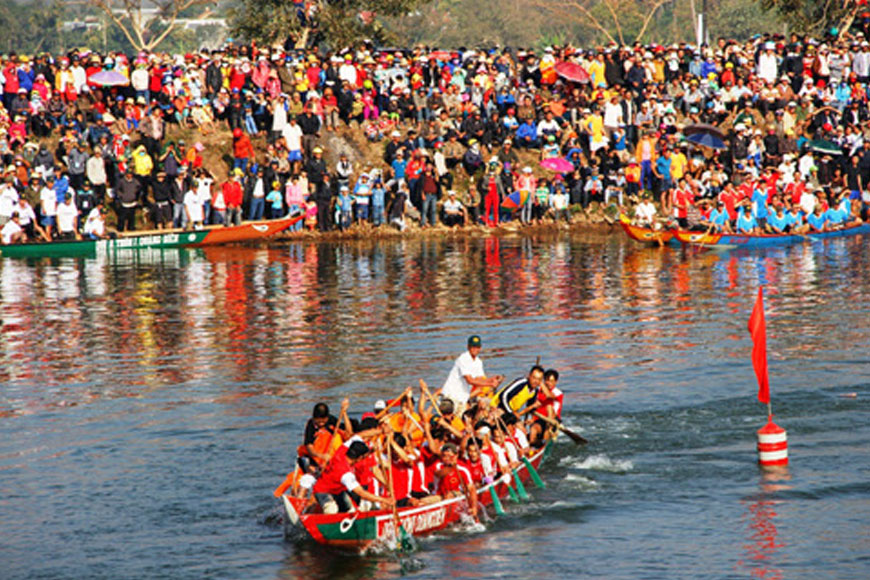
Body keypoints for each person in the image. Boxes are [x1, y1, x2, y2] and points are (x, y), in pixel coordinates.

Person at [312, 438, 394, 514]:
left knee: (353, 510)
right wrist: (384, 500)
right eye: (364, 457)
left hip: (338, 491)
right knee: (331, 509)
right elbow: (361, 492)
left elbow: (359, 435)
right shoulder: (346, 474)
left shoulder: (341, 452)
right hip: (322, 491)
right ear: (359, 457)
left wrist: (380, 432)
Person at [442, 335, 503, 414]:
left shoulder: (478, 362)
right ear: (468, 347)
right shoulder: (463, 358)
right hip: (452, 396)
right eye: (473, 347)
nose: (475, 349)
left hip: (463, 397)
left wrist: (493, 379)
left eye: (477, 347)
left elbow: (480, 380)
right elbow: (469, 380)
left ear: (480, 348)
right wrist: (490, 383)